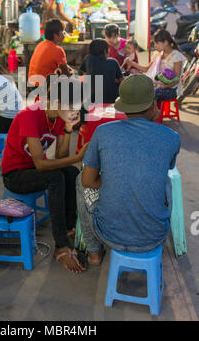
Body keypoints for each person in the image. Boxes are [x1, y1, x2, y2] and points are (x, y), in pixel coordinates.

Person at [76, 74, 181, 265]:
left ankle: (93, 253)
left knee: (80, 180)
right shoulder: (172, 137)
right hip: (154, 237)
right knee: (165, 180)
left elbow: (88, 181)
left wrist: (110, 181)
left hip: (108, 234)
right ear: (151, 106)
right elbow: (165, 168)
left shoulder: (103, 132)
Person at [1, 78, 88, 274]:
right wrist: (78, 157)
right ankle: (61, 246)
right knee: (56, 177)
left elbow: (61, 157)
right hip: (15, 175)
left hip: (33, 170)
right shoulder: (30, 116)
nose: (76, 112)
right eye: (72, 107)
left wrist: (67, 129)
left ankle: (67, 227)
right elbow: (41, 165)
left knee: (72, 173)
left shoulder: (57, 117)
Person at [127, 29, 185, 101]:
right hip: (157, 86)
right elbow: (146, 69)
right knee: (136, 89)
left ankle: (153, 111)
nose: (154, 46)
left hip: (172, 89)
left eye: (156, 43)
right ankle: (145, 111)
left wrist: (165, 86)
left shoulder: (176, 56)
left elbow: (177, 79)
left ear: (165, 42)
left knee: (150, 93)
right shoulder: (158, 54)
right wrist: (132, 63)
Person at [28, 19, 74, 86]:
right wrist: (72, 73)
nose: (65, 34)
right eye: (62, 31)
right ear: (55, 35)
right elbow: (67, 73)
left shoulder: (41, 44)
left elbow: (62, 65)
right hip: (43, 86)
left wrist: (66, 67)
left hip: (31, 83)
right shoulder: (58, 50)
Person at [79, 39, 123, 104]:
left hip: (92, 98)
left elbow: (85, 75)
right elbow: (121, 80)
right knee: (121, 85)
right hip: (110, 99)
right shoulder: (113, 62)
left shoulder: (87, 59)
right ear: (105, 51)